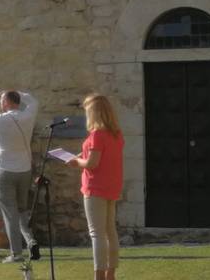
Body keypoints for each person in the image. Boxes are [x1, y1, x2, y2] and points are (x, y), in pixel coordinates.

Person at [66, 94, 124, 280]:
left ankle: (98, 276)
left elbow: (92, 163)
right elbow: (101, 156)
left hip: (95, 187)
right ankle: (110, 274)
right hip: (111, 186)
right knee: (110, 231)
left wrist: (76, 162)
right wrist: (80, 156)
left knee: (97, 234)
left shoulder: (97, 134)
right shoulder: (116, 134)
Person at [0, 90, 39, 263]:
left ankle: (16, 254)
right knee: (22, 210)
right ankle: (31, 241)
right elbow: (33, 100)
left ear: (6, 101)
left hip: (5, 171)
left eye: (1, 100)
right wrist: (17, 92)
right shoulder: (28, 115)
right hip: (25, 170)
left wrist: (1, 108)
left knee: (10, 214)